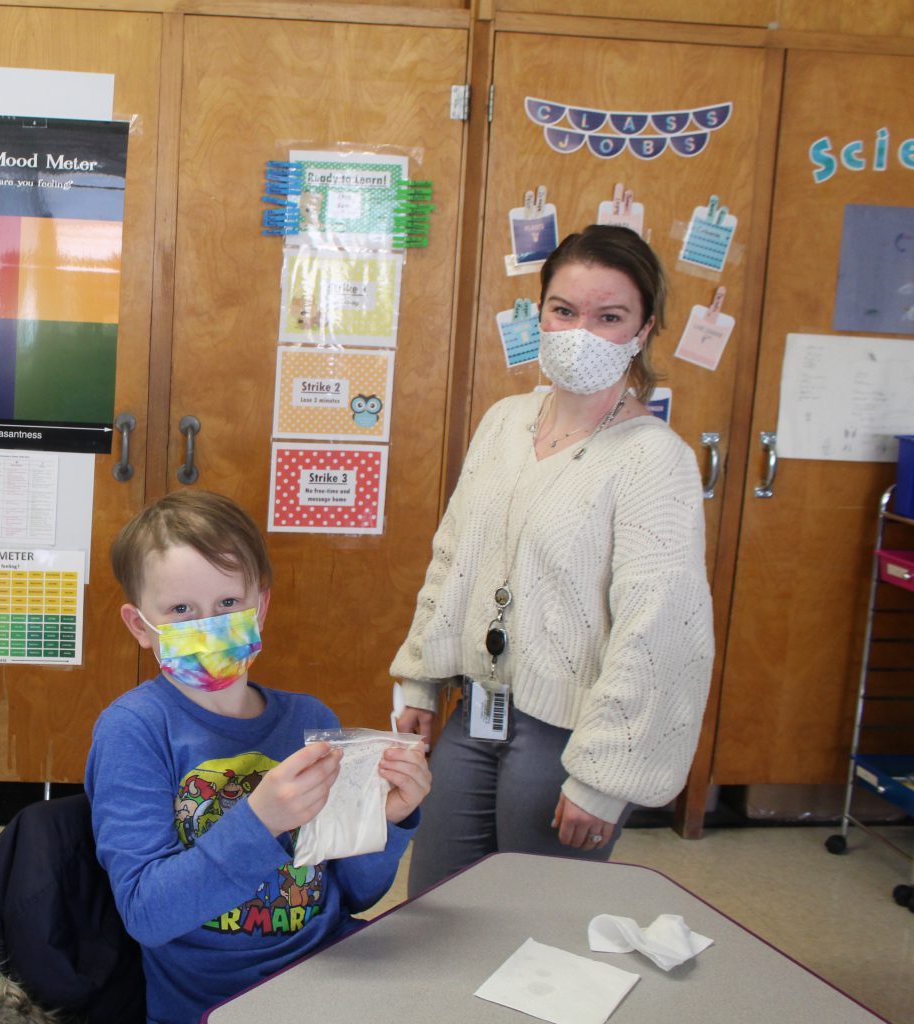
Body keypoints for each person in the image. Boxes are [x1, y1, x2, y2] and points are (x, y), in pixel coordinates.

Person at [389, 224, 714, 895]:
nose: (580, 333)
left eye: (609, 317)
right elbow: (454, 557)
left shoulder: (656, 460)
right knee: (434, 908)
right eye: (564, 311)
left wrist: (604, 778)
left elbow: (661, 631)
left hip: (565, 734)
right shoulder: (506, 421)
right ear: (539, 313)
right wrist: (420, 678)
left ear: (645, 328)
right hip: (475, 709)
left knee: (530, 928)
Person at [87, 490, 432, 1024]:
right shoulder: (134, 730)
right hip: (217, 1002)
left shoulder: (306, 719)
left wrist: (388, 820)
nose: (210, 625)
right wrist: (261, 821)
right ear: (140, 627)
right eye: (181, 610)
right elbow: (148, 914)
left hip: (335, 971)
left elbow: (356, 895)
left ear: (260, 606)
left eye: (228, 604)